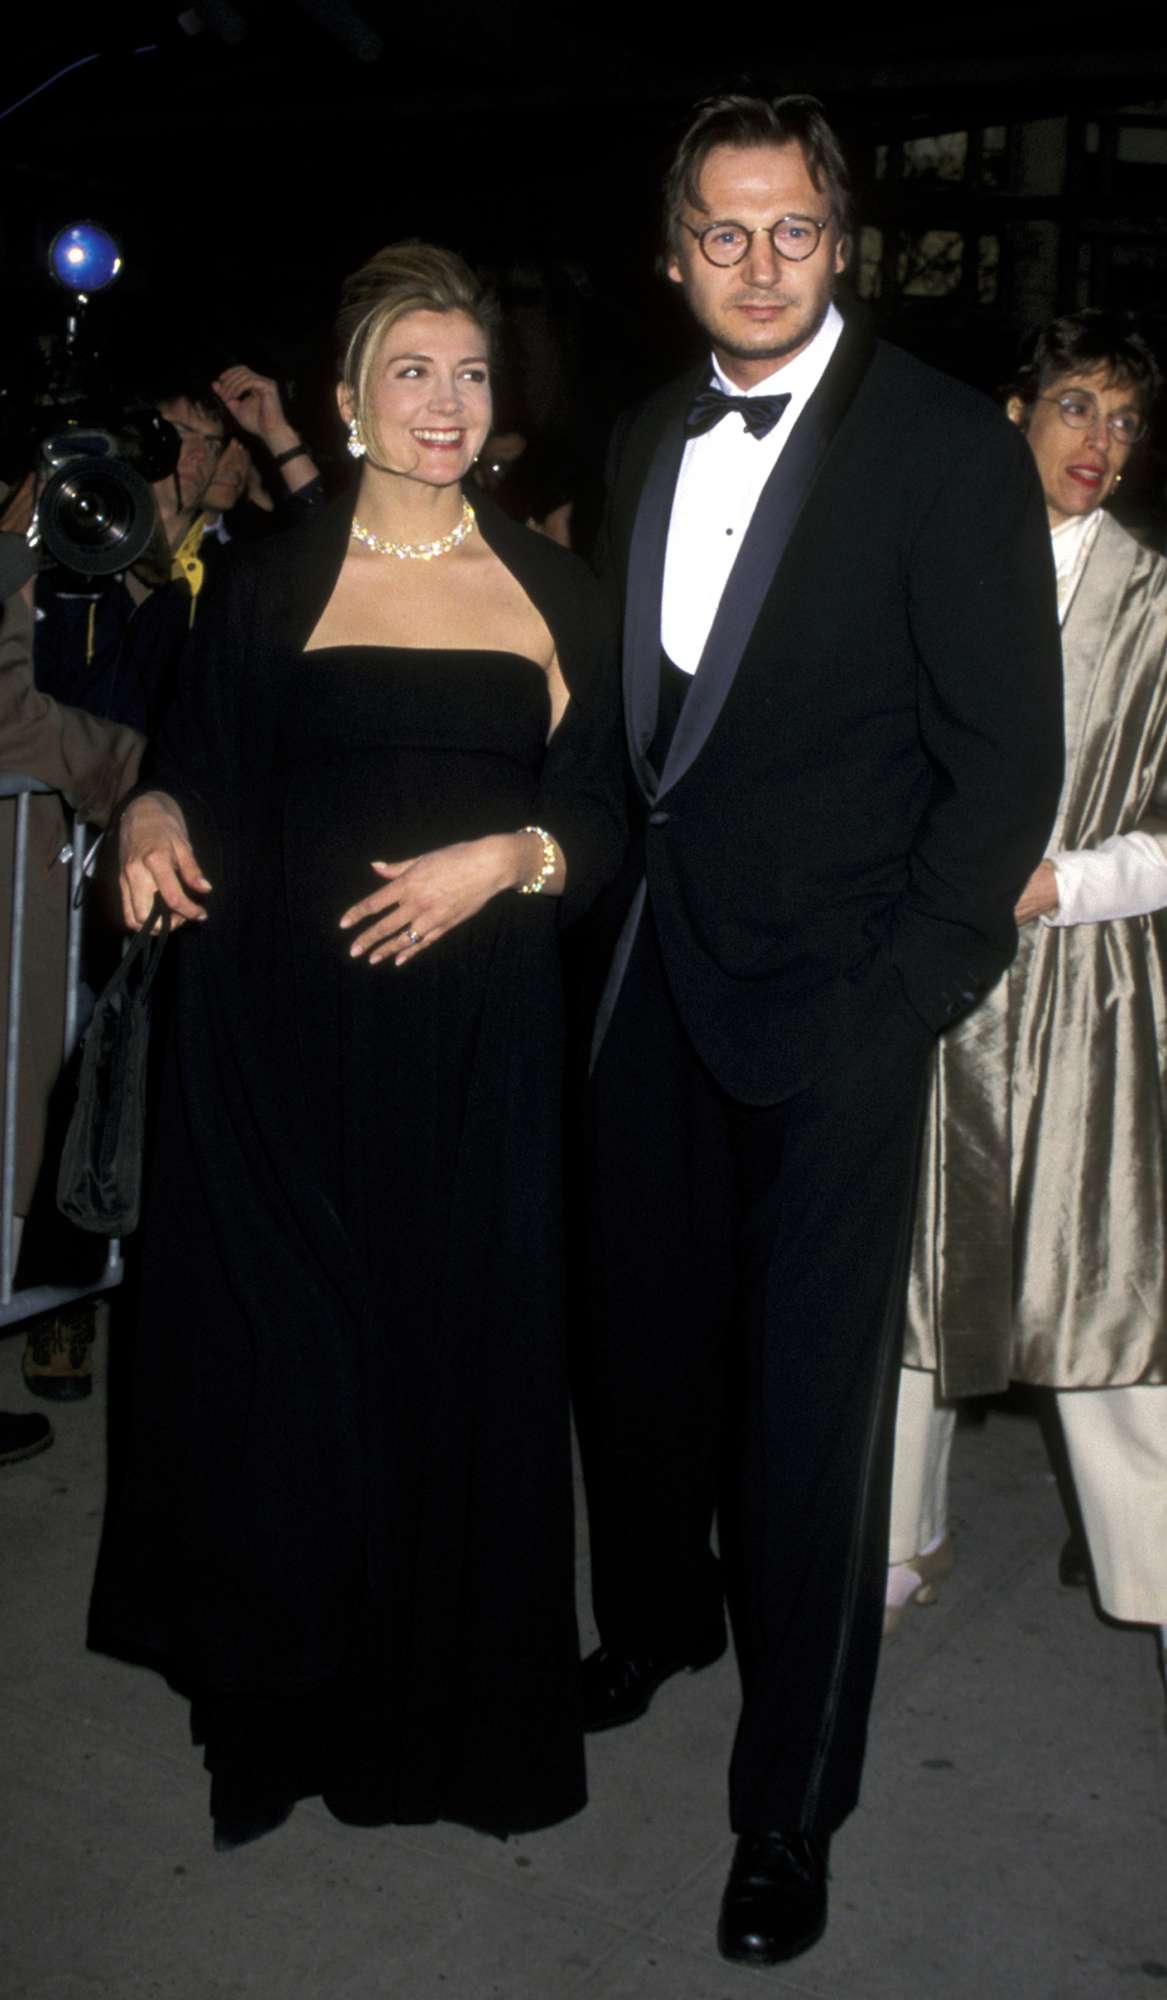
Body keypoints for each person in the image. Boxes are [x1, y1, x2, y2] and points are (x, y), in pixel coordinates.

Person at [573, 91, 1064, 1967]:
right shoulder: (637, 437)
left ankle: (789, 1804)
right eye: (722, 234)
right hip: (647, 994)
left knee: (804, 1432)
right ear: (673, 251)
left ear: (841, 240)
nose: (758, 267)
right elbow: (635, 750)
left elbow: (1003, 764)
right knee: (635, 1361)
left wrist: (910, 993)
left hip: (844, 1012)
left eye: (791, 233)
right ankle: (652, 1623)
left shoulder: (944, 449)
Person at [88, 242, 623, 1851]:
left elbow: (610, 813)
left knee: (457, 1386)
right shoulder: (267, 582)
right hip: (276, 1054)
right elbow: (194, 765)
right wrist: (159, 810)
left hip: (478, 1073)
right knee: (290, 1393)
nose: (446, 402)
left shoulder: (554, 590)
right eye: (412, 372)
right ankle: (288, 1716)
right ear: (348, 400)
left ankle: (449, 1737)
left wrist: (505, 858)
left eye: (470, 374)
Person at [888, 312, 1167, 1706]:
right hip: (930, 975)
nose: (1099, 443)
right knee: (902, 1279)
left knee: (1110, 1285)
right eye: (1075, 407)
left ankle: (1159, 1575)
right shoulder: (936, 568)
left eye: (1123, 420)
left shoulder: (1160, 599)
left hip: (1093, 989)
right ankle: (886, 1548)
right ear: (1016, 417)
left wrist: (1070, 880)